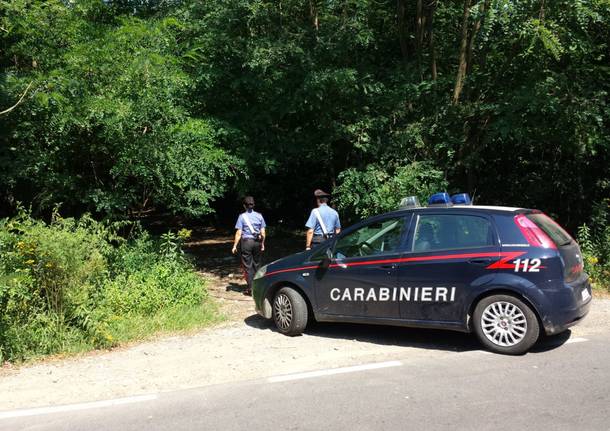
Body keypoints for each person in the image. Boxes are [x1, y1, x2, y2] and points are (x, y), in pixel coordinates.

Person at [232, 196, 266, 295]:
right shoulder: (259, 216)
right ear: (253, 205)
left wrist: (234, 245)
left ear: (244, 206)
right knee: (257, 265)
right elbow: (263, 232)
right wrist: (262, 244)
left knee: (248, 266)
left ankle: (251, 289)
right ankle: (259, 287)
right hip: (257, 242)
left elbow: (239, 233)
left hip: (246, 242)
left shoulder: (242, 217)